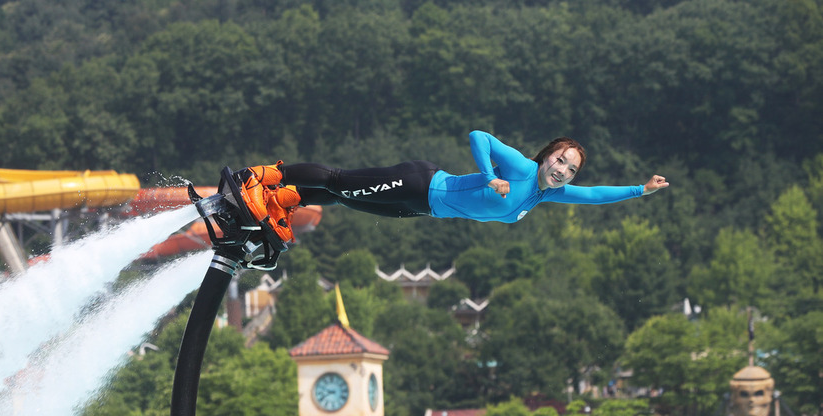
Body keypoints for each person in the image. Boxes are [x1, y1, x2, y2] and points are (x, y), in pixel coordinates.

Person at [242, 130, 669, 242]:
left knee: (343, 199)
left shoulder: (547, 193)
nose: (562, 171)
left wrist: (640, 190)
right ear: (546, 156)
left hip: (420, 208)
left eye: (571, 169)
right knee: (339, 181)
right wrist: (489, 176)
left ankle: (282, 204)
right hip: (421, 182)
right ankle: (269, 176)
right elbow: (478, 137)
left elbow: (595, 196)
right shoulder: (522, 168)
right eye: (560, 160)